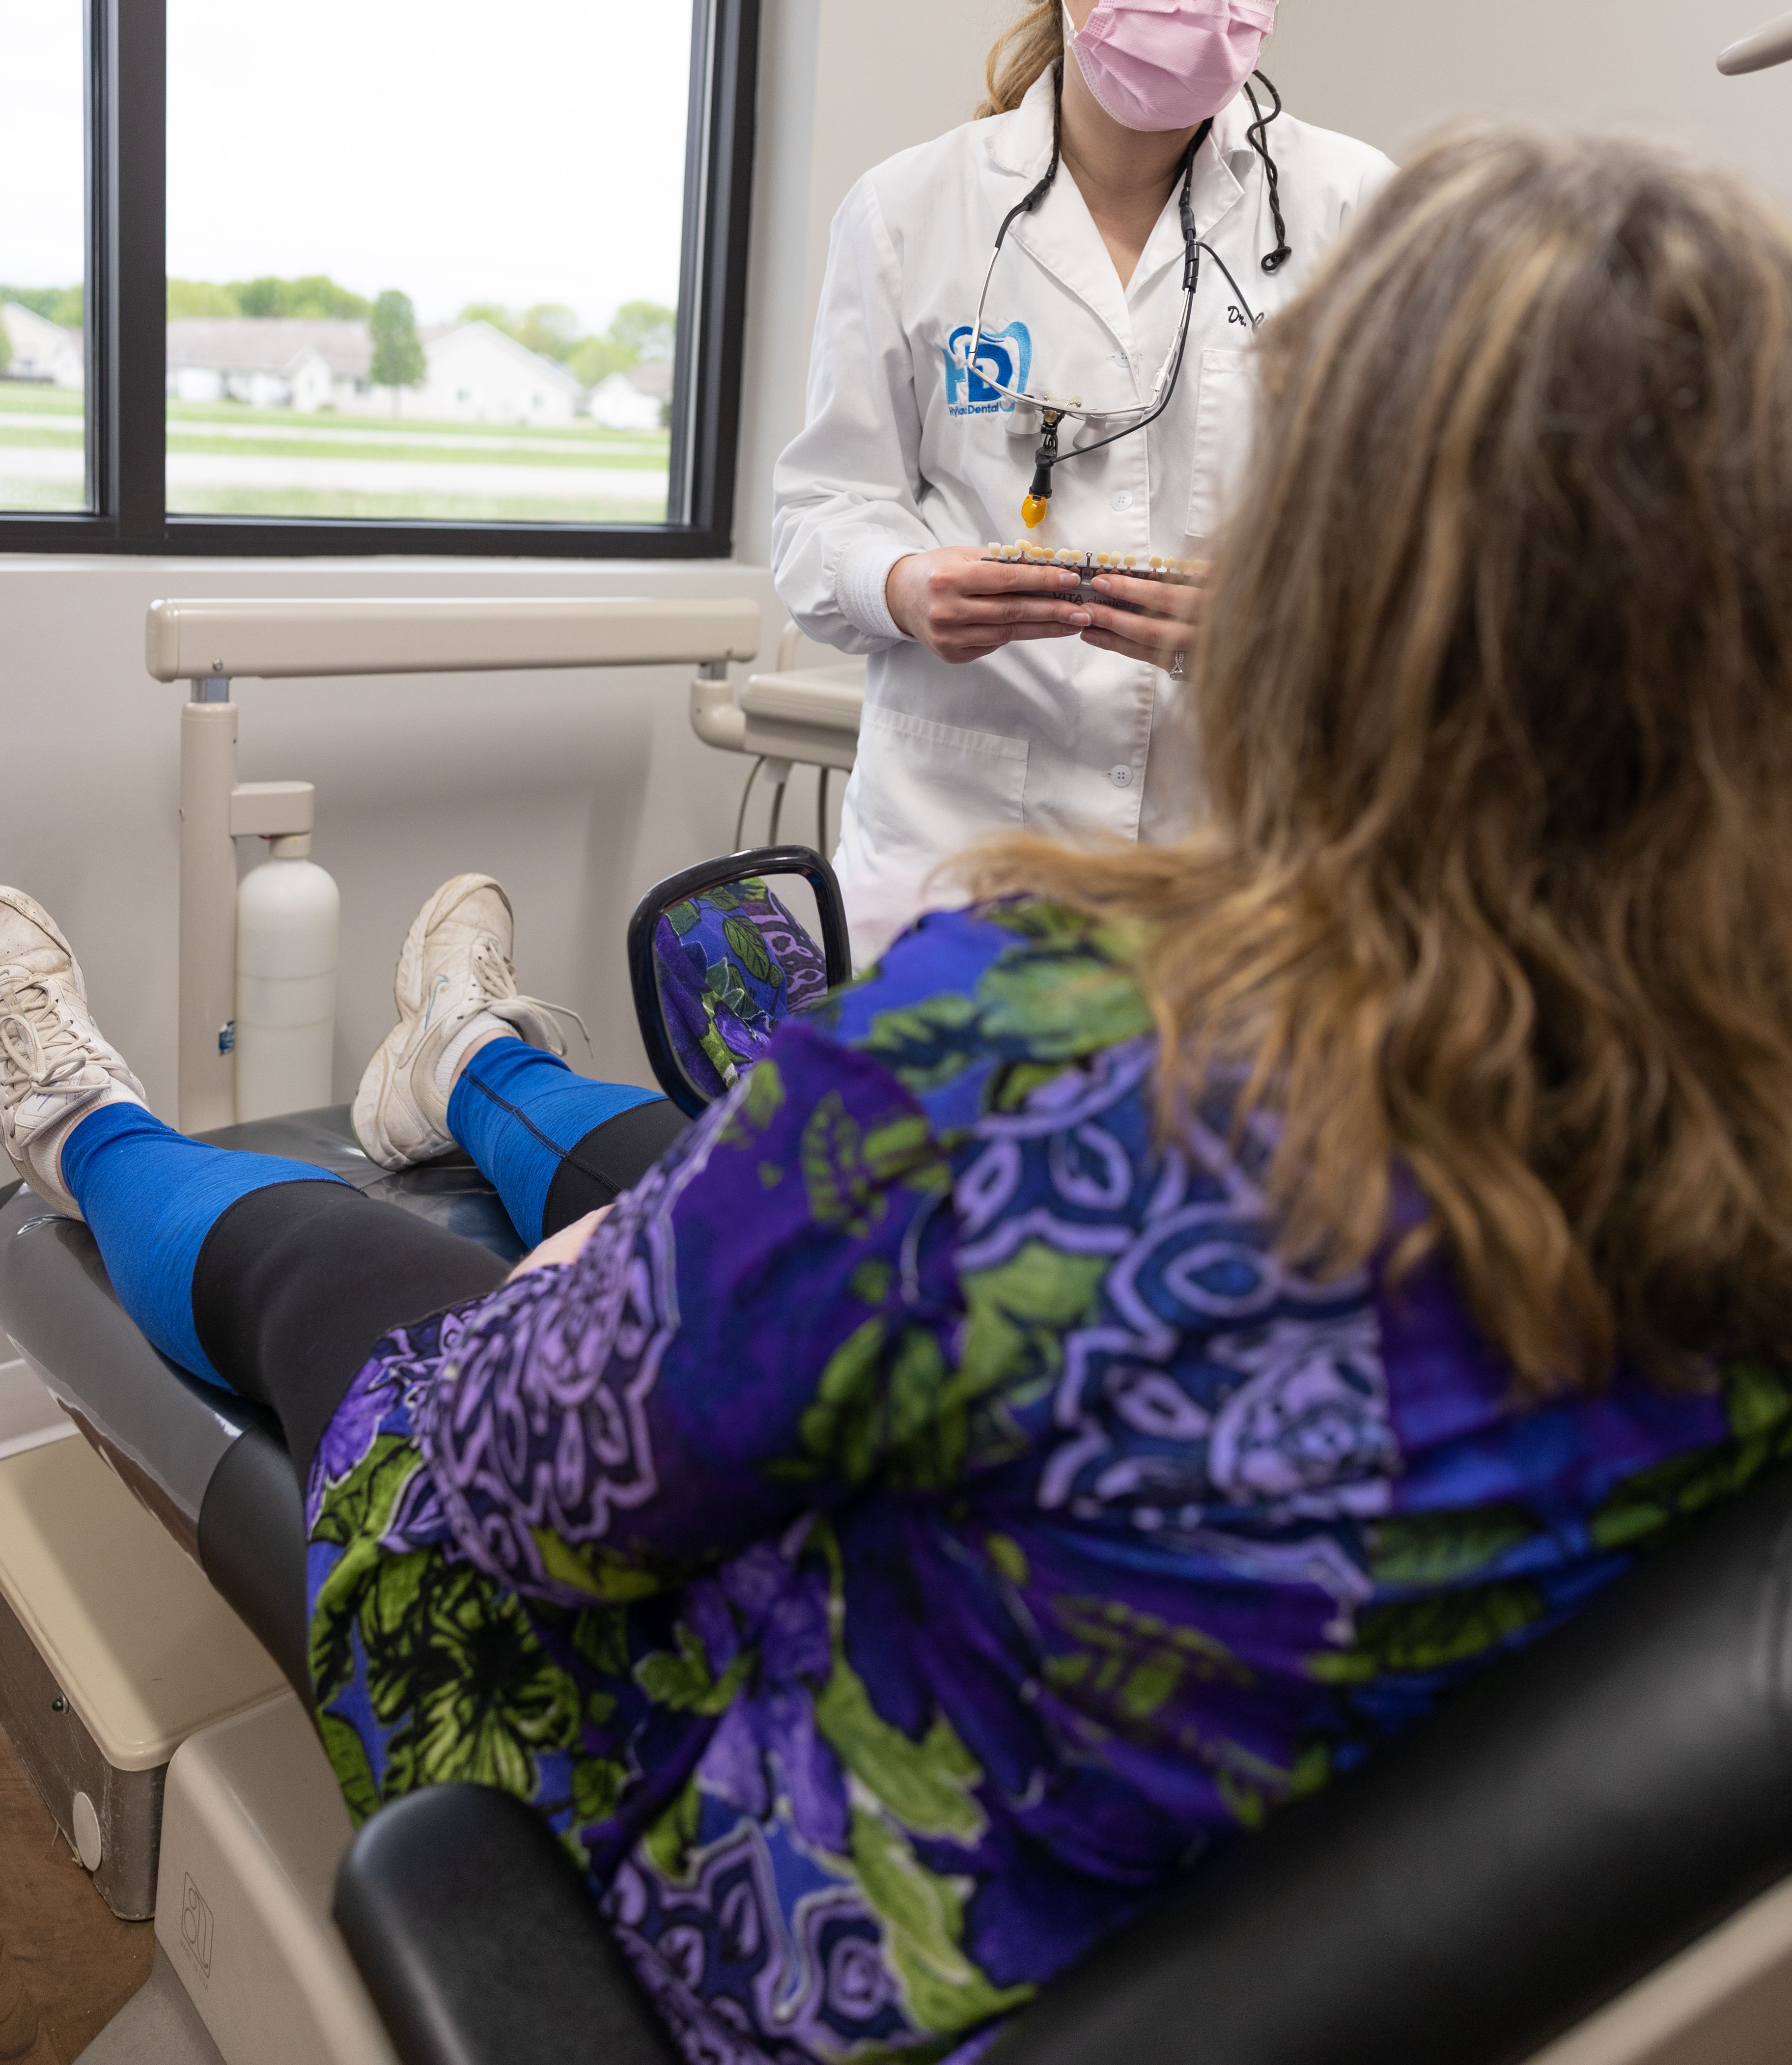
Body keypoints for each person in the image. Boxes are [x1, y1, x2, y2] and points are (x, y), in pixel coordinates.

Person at [8, 123, 1792, 2065]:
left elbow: (514, 1495)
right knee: (748, 1190)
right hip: (1185, 1823)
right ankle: (477, 1057)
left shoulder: (1042, 1047)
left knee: (354, 1283)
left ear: (1331, 578)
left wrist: (581, 1289)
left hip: (756, 1899)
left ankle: (75, 1116)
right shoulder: (1737, 1137)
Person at [773, 0, 1396, 960]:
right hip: (956, 875)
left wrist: (1280, 620)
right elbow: (820, 514)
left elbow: (1418, 549)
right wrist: (906, 586)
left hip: (1237, 879)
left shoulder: (1351, 211)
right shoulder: (912, 212)